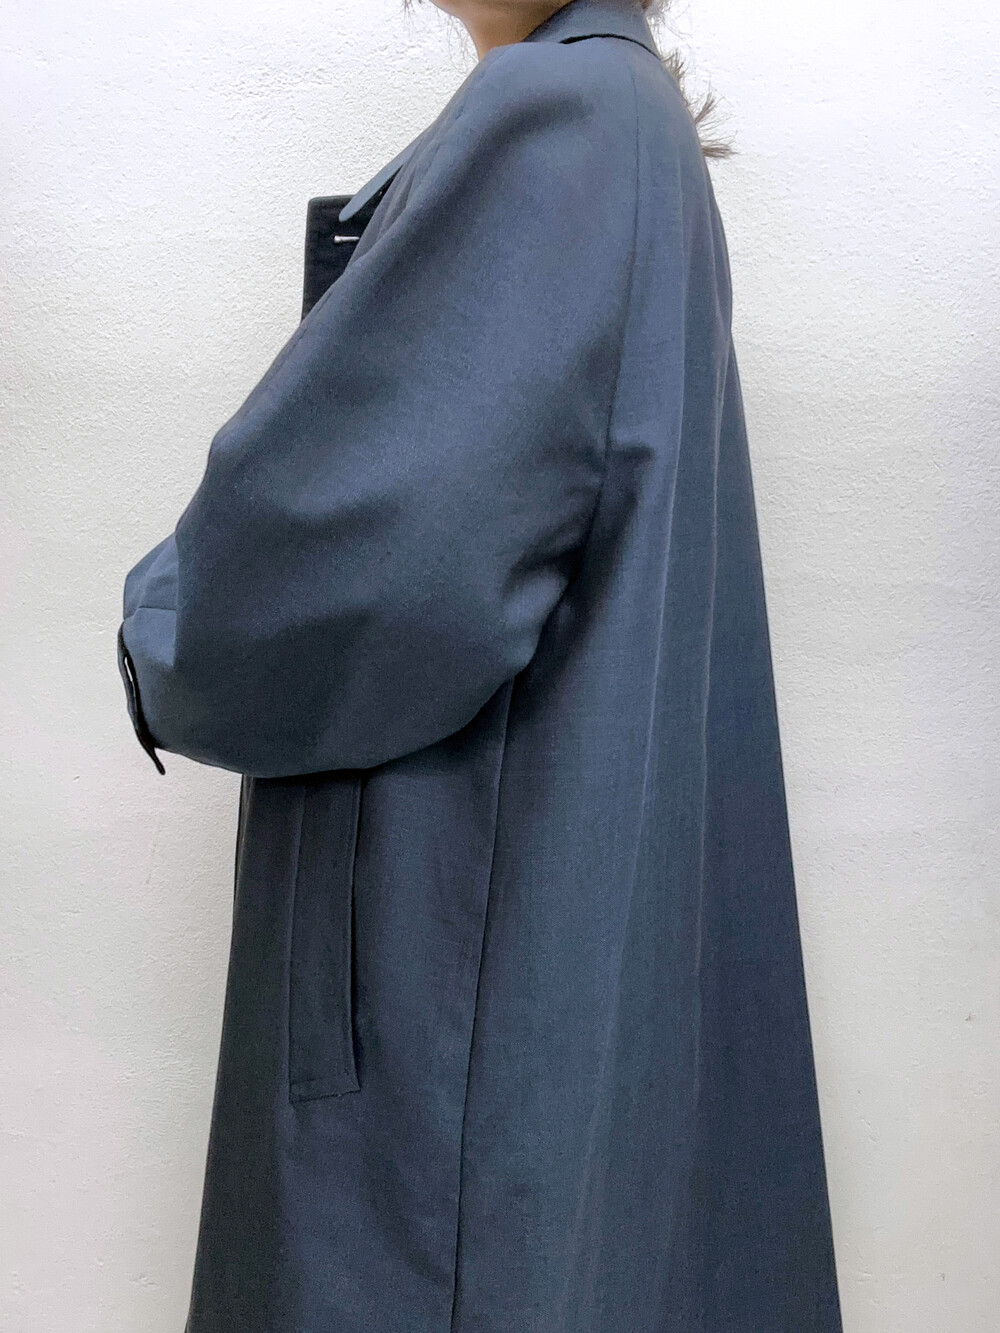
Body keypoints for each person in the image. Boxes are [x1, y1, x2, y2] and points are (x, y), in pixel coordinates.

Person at [116, 1, 843, 1328]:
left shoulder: (554, 117)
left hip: (447, 977)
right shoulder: (625, 122)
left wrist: (164, 624)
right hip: (512, 955)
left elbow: (368, 559)